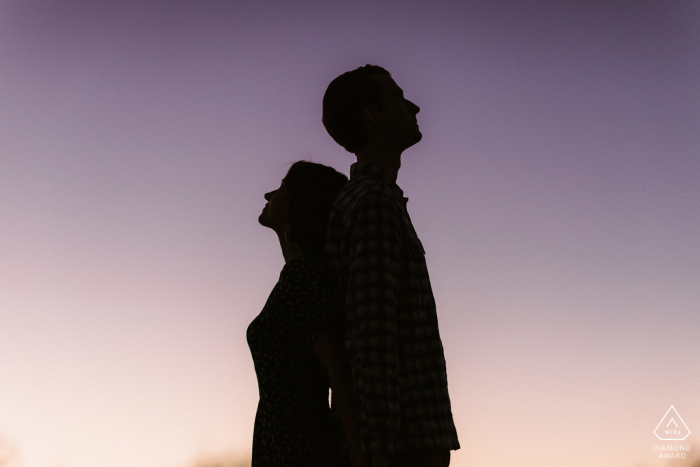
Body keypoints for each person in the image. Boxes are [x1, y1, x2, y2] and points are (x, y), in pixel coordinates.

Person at [323, 65, 461, 467]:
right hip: (404, 448)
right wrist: (378, 452)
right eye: (399, 97)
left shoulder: (378, 200)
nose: (415, 106)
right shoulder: (373, 203)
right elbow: (373, 341)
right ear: (373, 114)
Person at [247, 161, 368, 467]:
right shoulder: (297, 275)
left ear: (300, 202)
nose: (268, 193)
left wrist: (357, 451)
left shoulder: (304, 274)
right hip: (286, 440)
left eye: (283, 185)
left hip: (298, 445)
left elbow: (335, 363)